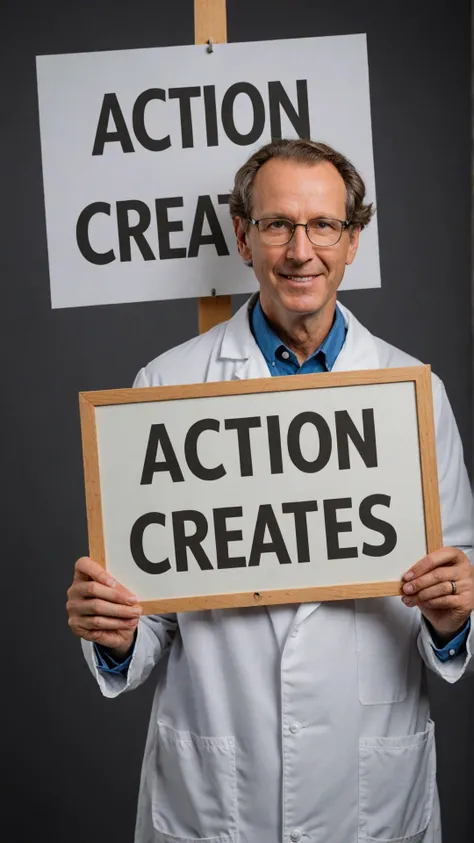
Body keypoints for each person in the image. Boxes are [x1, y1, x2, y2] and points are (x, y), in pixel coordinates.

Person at [67, 139, 473, 843]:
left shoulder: (415, 393)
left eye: (324, 226)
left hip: (367, 786)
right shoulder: (166, 389)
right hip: (218, 790)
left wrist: (454, 612)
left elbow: (453, 582)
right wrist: (115, 629)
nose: (300, 250)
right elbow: (150, 611)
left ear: (352, 241)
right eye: (277, 224)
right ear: (243, 236)